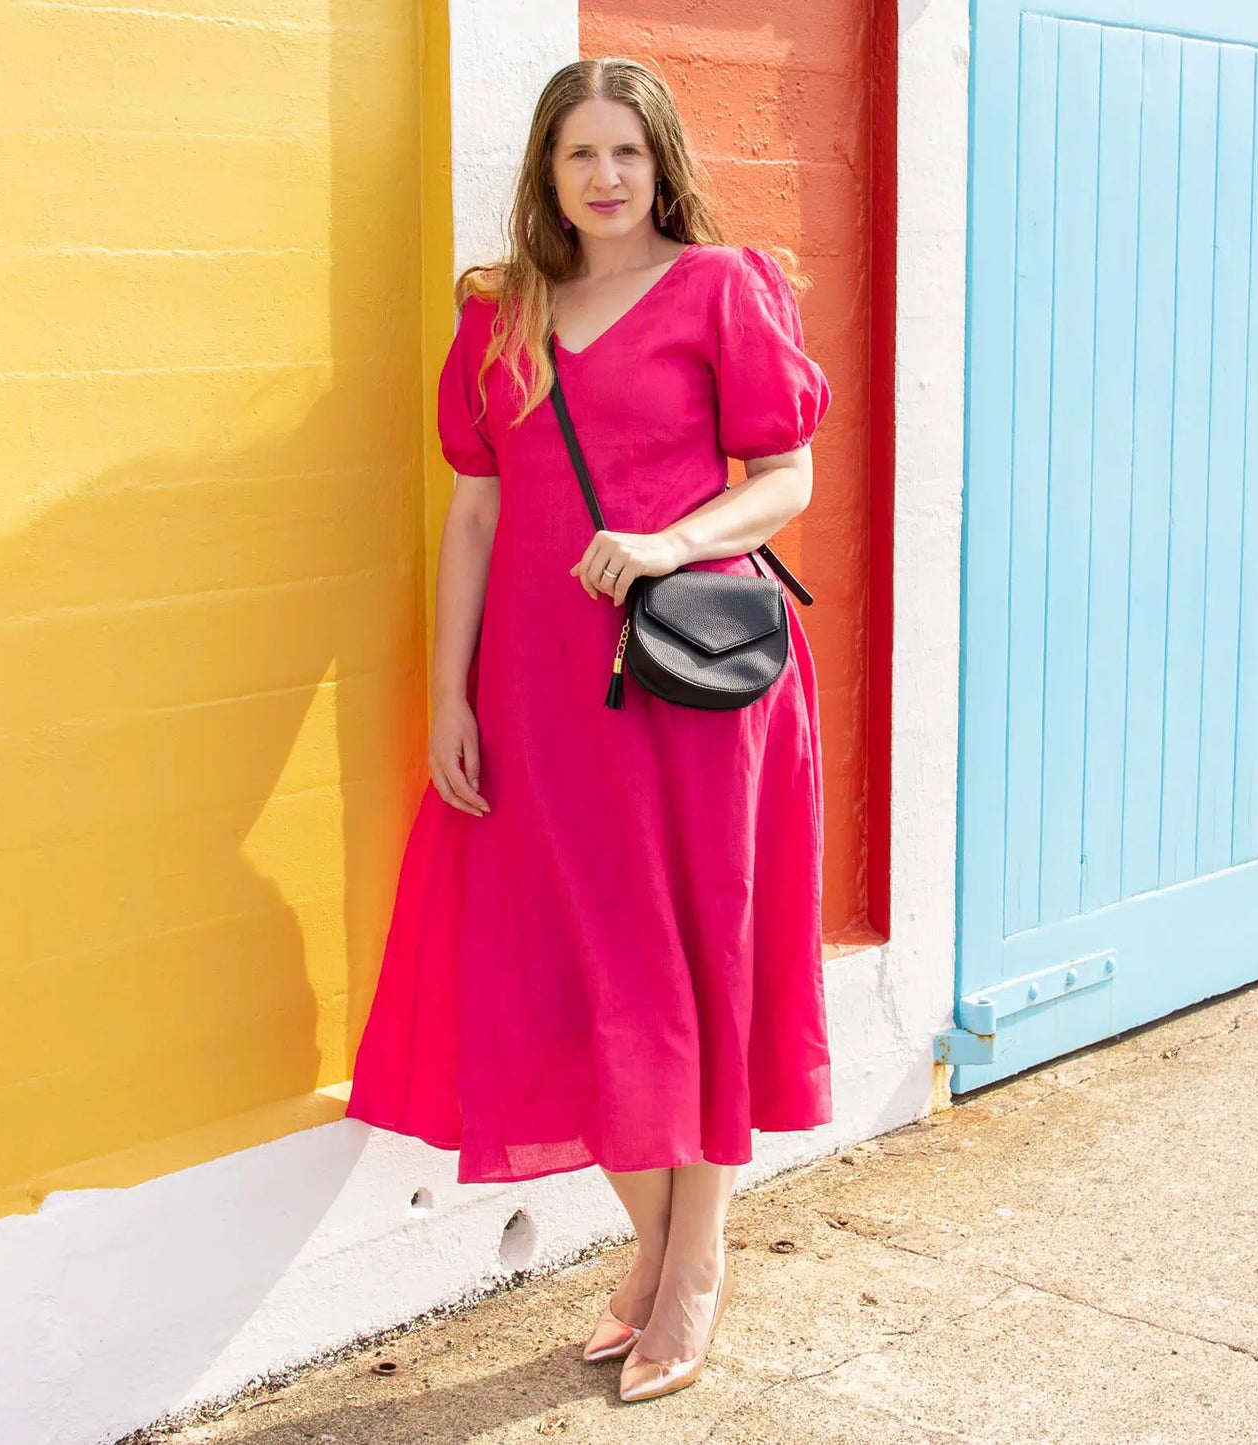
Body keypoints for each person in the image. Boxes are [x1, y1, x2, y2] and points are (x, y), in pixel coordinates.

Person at [346, 55, 833, 1404]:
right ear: (546, 172)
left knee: (690, 956)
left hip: (691, 683)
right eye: (579, 155)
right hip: (543, 693)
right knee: (576, 963)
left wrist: (669, 537)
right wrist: (448, 691)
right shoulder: (501, 316)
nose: (605, 177)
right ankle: (652, 1243)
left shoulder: (724, 289)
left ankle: (692, 1262)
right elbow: (477, 513)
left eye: (627, 151)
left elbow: (783, 475)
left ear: (660, 158)